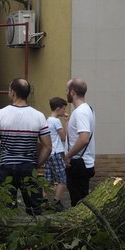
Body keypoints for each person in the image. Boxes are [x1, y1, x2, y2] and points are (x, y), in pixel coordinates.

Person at [0, 78, 51, 214]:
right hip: (28, 167)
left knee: (7, 207)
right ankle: (34, 231)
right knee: (34, 207)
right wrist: (37, 164)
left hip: (6, 167)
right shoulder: (39, 116)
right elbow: (48, 147)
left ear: (13, 92)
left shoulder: (1, 114)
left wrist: (0, 160)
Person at [64, 78, 96, 206]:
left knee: (78, 204)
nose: (65, 92)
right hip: (82, 163)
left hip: (78, 164)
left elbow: (83, 139)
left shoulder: (81, 112)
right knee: (80, 200)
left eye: (66, 90)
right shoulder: (87, 109)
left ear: (72, 92)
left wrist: (68, 156)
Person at [43, 97, 68, 211]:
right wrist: (67, 122)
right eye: (63, 109)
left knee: (48, 179)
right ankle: (56, 202)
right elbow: (64, 138)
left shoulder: (47, 120)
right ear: (58, 109)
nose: (64, 111)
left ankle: (44, 201)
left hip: (49, 153)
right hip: (56, 153)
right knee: (62, 179)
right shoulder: (56, 121)